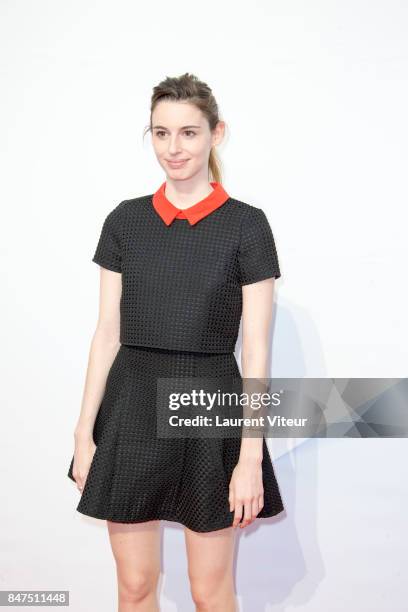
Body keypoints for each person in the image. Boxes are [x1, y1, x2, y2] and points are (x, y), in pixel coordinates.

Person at [67, 72, 285, 611]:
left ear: (217, 134)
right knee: (135, 587)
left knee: (210, 592)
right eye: (161, 133)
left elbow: (256, 351)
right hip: (131, 407)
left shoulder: (246, 226)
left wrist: (248, 457)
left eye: (188, 132)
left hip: (209, 411)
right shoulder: (125, 220)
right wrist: (82, 432)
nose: (174, 147)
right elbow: (107, 333)